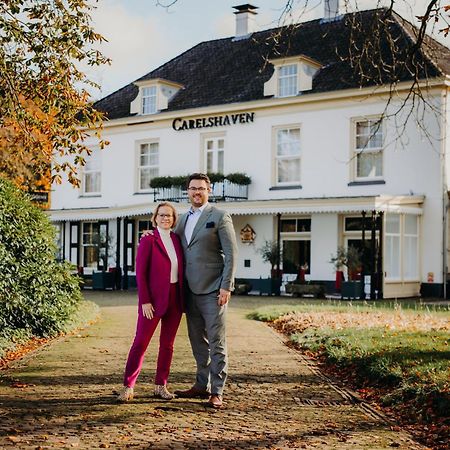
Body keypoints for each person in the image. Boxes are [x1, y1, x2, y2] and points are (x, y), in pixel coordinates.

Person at [173, 173, 238, 409]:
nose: (196, 192)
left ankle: (217, 390)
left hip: (213, 290)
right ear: (187, 191)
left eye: (201, 188)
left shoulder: (220, 216)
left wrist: (226, 286)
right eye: (192, 188)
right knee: (197, 342)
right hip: (189, 291)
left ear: (209, 190)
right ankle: (201, 384)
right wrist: (150, 236)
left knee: (216, 342)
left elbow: (231, 254)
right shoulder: (181, 220)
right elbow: (170, 242)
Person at [117, 202, 184, 402]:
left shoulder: (176, 239)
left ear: (174, 219)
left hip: (175, 298)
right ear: (155, 218)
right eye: (161, 215)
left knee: (168, 345)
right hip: (152, 301)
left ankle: (160, 385)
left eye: (169, 216)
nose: (165, 218)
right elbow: (141, 273)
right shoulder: (148, 240)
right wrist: (145, 300)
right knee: (140, 343)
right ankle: (128, 386)